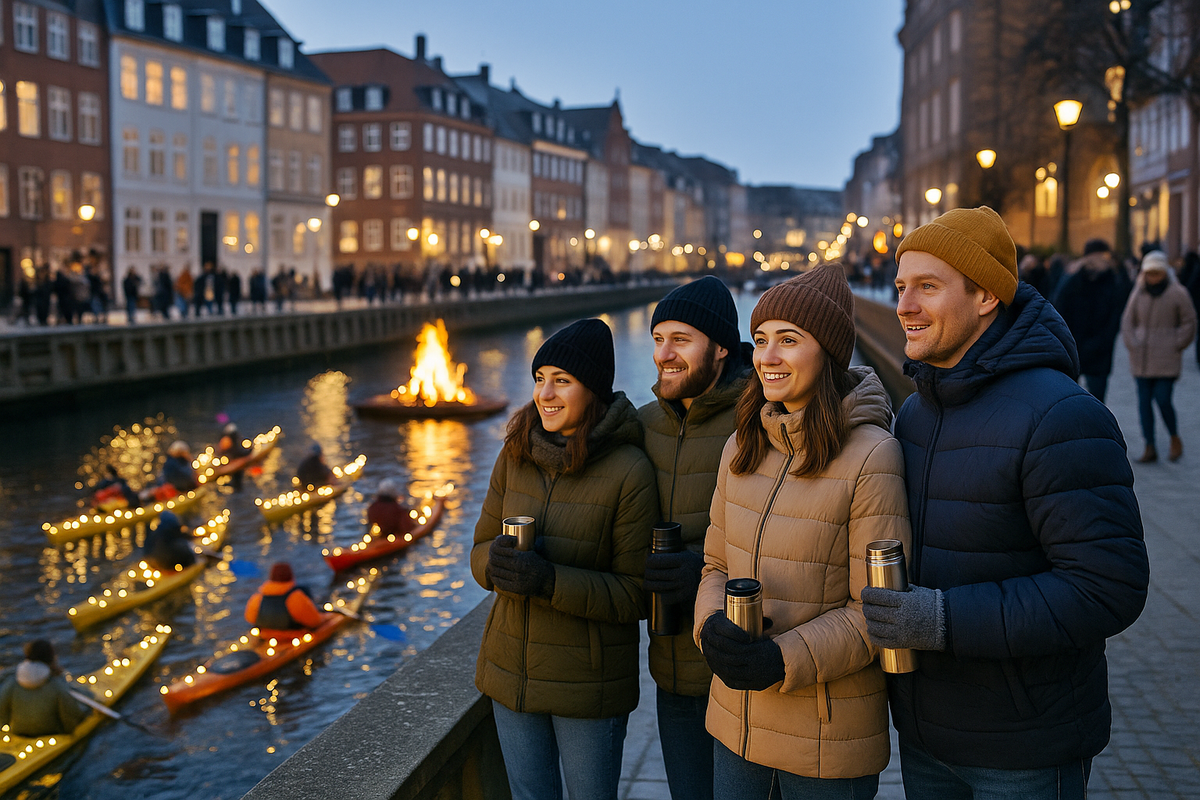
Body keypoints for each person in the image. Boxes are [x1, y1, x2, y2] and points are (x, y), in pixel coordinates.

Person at [864, 206, 1148, 800]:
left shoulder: (1062, 415)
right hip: (927, 737)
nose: (903, 306)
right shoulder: (916, 412)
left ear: (987, 296)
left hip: (1025, 747)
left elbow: (1107, 588)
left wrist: (941, 619)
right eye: (901, 287)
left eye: (928, 288)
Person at [694, 265, 908, 800]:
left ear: (829, 354)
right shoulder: (741, 447)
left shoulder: (872, 456)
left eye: (788, 341)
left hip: (826, 740)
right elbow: (716, 566)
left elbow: (878, 611)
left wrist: (781, 658)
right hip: (733, 724)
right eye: (761, 340)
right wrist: (709, 628)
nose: (767, 358)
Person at [471, 318, 659, 800]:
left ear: (592, 390)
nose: (546, 393)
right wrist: (492, 563)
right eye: (540, 378)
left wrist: (549, 580)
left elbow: (635, 594)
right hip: (510, 673)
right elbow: (477, 551)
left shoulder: (629, 470)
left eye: (563, 380)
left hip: (587, 687)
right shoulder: (515, 453)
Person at [637, 276, 751, 800]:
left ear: (721, 347)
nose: (665, 354)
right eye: (659, 338)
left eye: (681, 339)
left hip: (741, 669)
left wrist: (706, 577)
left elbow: (797, 536)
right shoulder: (643, 424)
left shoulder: (759, 417)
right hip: (672, 672)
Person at [1120, 250, 1197, 463]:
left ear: (1164, 272)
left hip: (1167, 359)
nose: (1153, 277)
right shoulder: (1138, 292)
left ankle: (1174, 437)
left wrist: (1176, 343)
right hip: (1141, 359)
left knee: (1163, 399)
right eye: (1149, 273)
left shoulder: (1178, 293)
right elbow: (1127, 320)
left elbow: (1189, 321)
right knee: (1144, 404)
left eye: (1157, 273)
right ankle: (1149, 446)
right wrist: (1133, 343)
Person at [1051, 238, 1131, 403]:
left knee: (1098, 403)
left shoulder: (1113, 281)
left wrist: (1117, 269)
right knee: (1068, 401)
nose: (1098, 261)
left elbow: (1118, 314)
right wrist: (1072, 273)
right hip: (1073, 349)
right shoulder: (1074, 281)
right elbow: (1058, 303)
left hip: (1100, 354)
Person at [0, 640, 90, 737]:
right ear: (51, 659)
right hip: (52, 734)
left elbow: (2, 710)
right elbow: (70, 716)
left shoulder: (12, 682)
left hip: (18, 733)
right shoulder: (56, 684)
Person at [244, 563, 324, 632]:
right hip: (294, 636)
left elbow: (249, 618)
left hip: (266, 636)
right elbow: (314, 621)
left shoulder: (257, 598)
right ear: (291, 576)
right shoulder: (295, 597)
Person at [217, 422, 252, 491]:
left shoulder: (231, 441)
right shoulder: (234, 441)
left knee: (237, 479)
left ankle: (237, 488)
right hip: (235, 462)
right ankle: (237, 488)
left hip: (235, 462)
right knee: (237, 480)